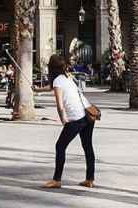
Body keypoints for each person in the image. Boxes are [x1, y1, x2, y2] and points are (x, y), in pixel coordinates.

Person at [42, 54, 96, 190]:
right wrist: (37, 90)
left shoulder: (57, 81)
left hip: (76, 118)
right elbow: (52, 88)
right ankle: (90, 179)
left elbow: (60, 105)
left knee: (60, 146)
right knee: (87, 146)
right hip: (88, 114)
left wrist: (63, 119)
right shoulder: (67, 77)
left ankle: (57, 180)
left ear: (51, 68)